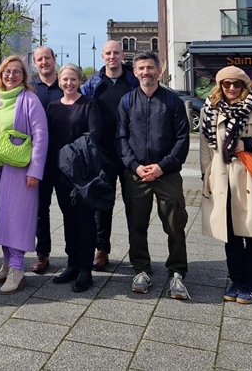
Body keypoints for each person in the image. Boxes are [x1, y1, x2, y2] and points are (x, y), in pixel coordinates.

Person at [116, 51, 191, 300]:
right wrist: (134, 166)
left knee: (174, 225)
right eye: (141, 69)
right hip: (136, 175)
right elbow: (121, 138)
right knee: (136, 225)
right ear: (135, 72)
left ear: (159, 70)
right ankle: (141, 269)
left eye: (150, 68)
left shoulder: (173, 102)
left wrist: (163, 166)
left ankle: (177, 271)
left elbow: (182, 139)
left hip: (166, 173)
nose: (146, 72)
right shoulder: (127, 101)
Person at [200, 67, 252, 304]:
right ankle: (236, 280)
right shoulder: (209, 110)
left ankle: (251, 283)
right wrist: (207, 175)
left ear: (244, 86)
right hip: (222, 177)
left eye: (236, 84)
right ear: (220, 86)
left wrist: (248, 144)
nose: (231, 88)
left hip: (248, 179)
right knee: (230, 234)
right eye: (226, 84)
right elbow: (205, 146)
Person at [0, 55, 48, 295]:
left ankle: (17, 269)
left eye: (17, 72)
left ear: (24, 77)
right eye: (7, 71)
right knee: (0, 216)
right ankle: (7, 262)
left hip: (18, 168)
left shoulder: (30, 100)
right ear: (1, 75)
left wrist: (35, 170)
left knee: (16, 218)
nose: (11, 76)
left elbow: (41, 137)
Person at [81, 40, 138, 271]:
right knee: (102, 204)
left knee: (135, 204)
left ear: (122, 55)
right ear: (102, 57)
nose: (112, 56)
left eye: (116, 53)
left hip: (130, 153)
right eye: (108, 53)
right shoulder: (93, 84)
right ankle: (101, 249)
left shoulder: (133, 81)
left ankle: (138, 252)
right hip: (102, 153)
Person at [45, 64, 102, 292]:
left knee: (85, 220)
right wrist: (61, 158)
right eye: (65, 79)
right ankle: (72, 264)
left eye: (73, 79)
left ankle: (86, 270)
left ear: (80, 80)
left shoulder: (89, 104)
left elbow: (94, 134)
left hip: (83, 172)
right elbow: (48, 137)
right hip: (61, 173)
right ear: (59, 81)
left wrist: (69, 153)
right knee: (68, 219)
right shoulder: (52, 107)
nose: (69, 83)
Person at [29, 46, 63, 274]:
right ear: (34, 63)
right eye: (39, 59)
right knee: (40, 209)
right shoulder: (30, 89)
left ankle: (76, 253)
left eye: (47, 58)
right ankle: (42, 254)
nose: (44, 62)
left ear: (54, 59)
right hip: (38, 158)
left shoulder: (66, 84)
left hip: (64, 158)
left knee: (70, 208)